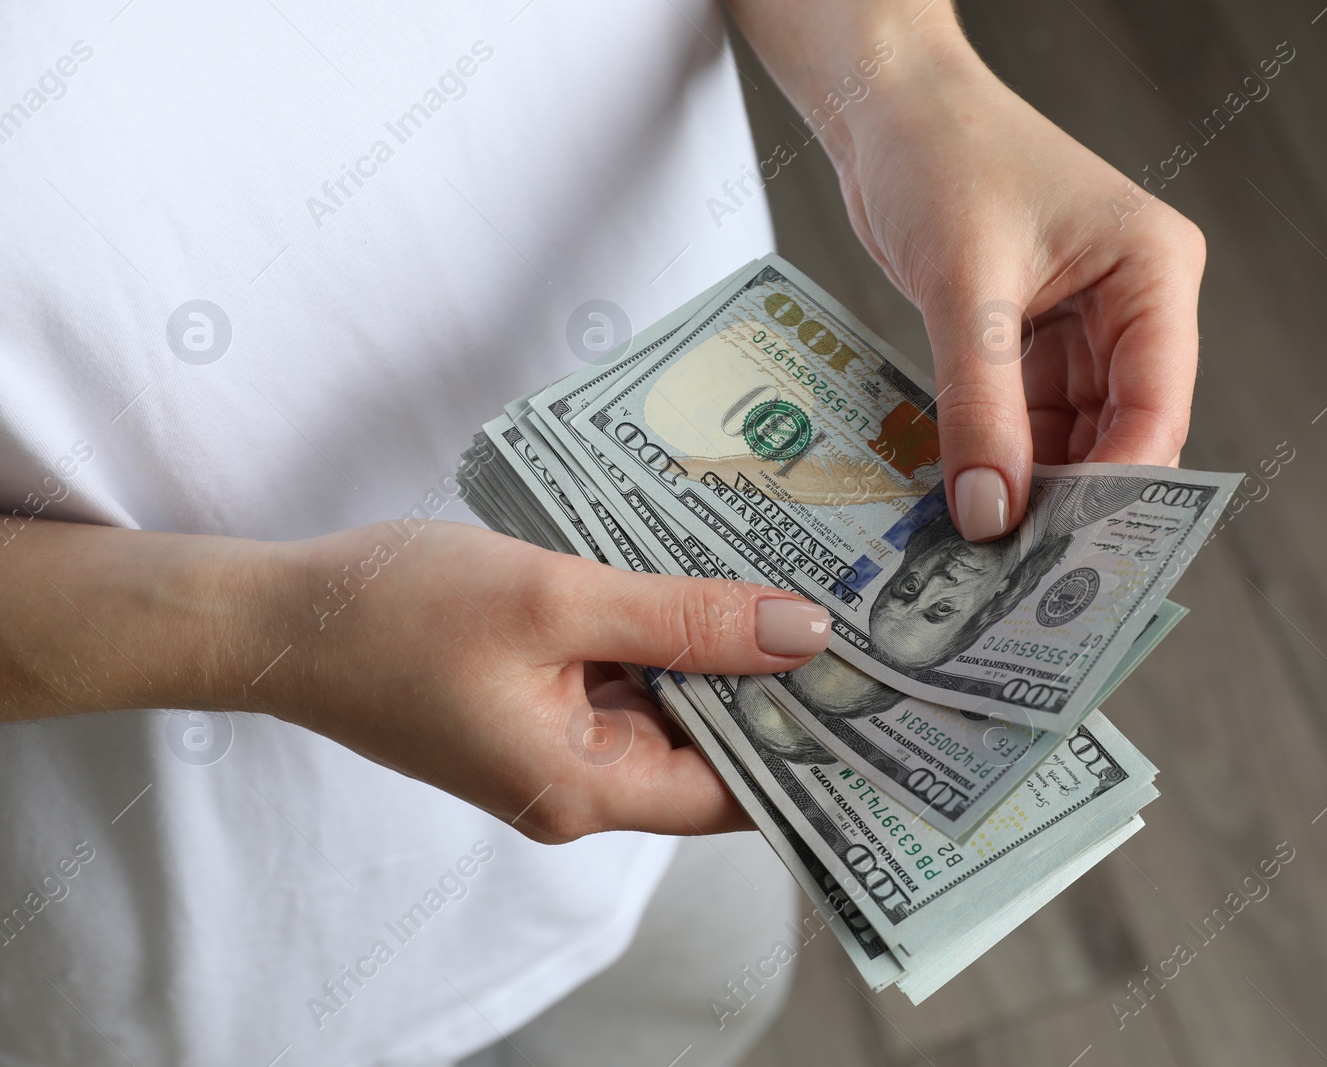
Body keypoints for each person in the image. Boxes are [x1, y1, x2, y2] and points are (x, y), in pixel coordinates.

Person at [0, 1, 1203, 1064]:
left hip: (694, 725)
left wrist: (905, 75)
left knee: (687, 1010)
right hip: (183, 898)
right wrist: (267, 634)